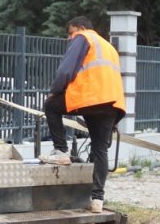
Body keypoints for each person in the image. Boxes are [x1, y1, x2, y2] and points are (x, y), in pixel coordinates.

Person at [41, 16, 127, 213]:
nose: (70, 38)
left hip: (89, 98)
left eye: (70, 33)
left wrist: (55, 91)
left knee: (51, 106)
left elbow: (65, 70)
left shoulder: (83, 37)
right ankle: (97, 200)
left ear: (79, 28)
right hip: (111, 104)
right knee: (100, 150)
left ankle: (61, 152)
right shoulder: (108, 46)